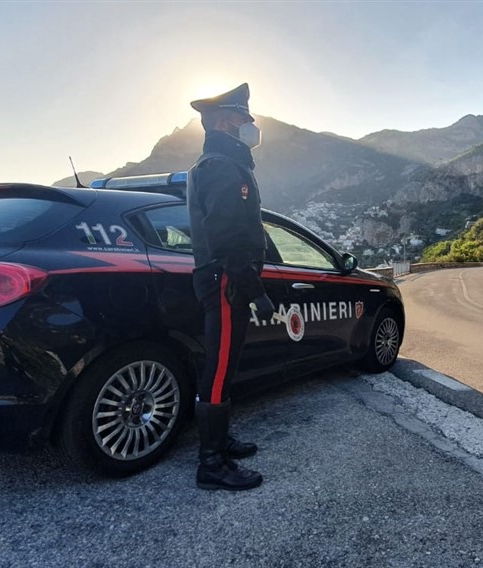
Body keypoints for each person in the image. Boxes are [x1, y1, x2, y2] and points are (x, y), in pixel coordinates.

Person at [186, 83, 274, 491]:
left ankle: (222, 442)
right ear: (224, 120)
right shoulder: (219, 166)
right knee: (219, 369)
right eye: (244, 120)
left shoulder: (227, 163)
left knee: (227, 363)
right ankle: (211, 463)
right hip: (226, 279)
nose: (249, 128)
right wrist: (255, 290)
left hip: (230, 279)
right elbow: (226, 240)